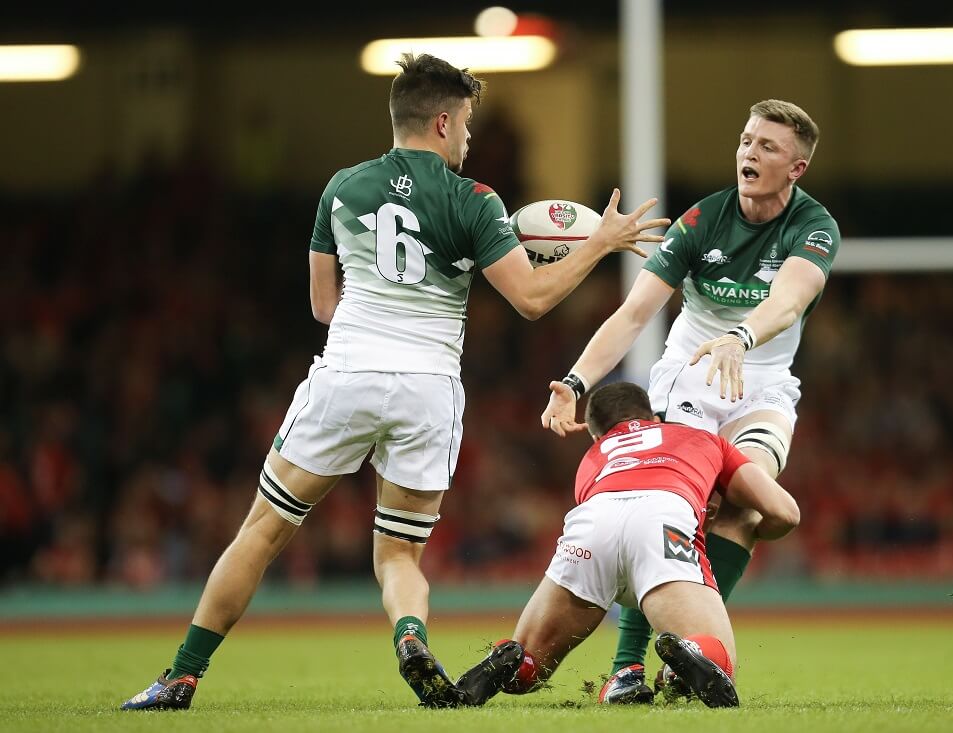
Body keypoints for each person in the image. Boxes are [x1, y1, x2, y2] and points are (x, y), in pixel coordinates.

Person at [120, 53, 669, 711]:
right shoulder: (474, 201)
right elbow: (531, 298)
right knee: (399, 555)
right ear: (442, 121)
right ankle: (410, 635)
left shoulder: (342, 188)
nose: (467, 137)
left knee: (262, 531)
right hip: (428, 388)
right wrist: (598, 244)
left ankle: (181, 676)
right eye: (465, 123)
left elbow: (323, 306)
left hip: (347, 373)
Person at [540, 99, 839, 702]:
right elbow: (634, 313)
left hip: (763, 382)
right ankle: (627, 671)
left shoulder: (814, 227)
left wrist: (742, 335)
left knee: (746, 508)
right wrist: (574, 383)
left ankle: (685, 657)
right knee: (673, 513)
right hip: (690, 378)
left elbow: (788, 300)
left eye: (768, 147)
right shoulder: (703, 221)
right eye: (746, 140)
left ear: (797, 168)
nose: (750, 153)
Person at [454, 382, 800, 708]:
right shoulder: (700, 438)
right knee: (718, 662)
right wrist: (751, 530)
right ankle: (688, 658)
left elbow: (618, 530)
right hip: (663, 516)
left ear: (595, 433)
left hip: (591, 523)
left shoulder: (592, 457)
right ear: (654, 419)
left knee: (529, 663)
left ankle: (514, 660)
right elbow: (785, 513)